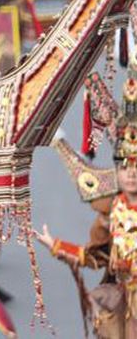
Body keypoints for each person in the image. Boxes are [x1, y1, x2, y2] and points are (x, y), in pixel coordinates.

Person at [35, 64, 137, 338]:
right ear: (117, 171)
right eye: (126, 167)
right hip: (126, 301)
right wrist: (56, 246)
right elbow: (95, 257)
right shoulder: (112, 210)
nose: (132, 174)